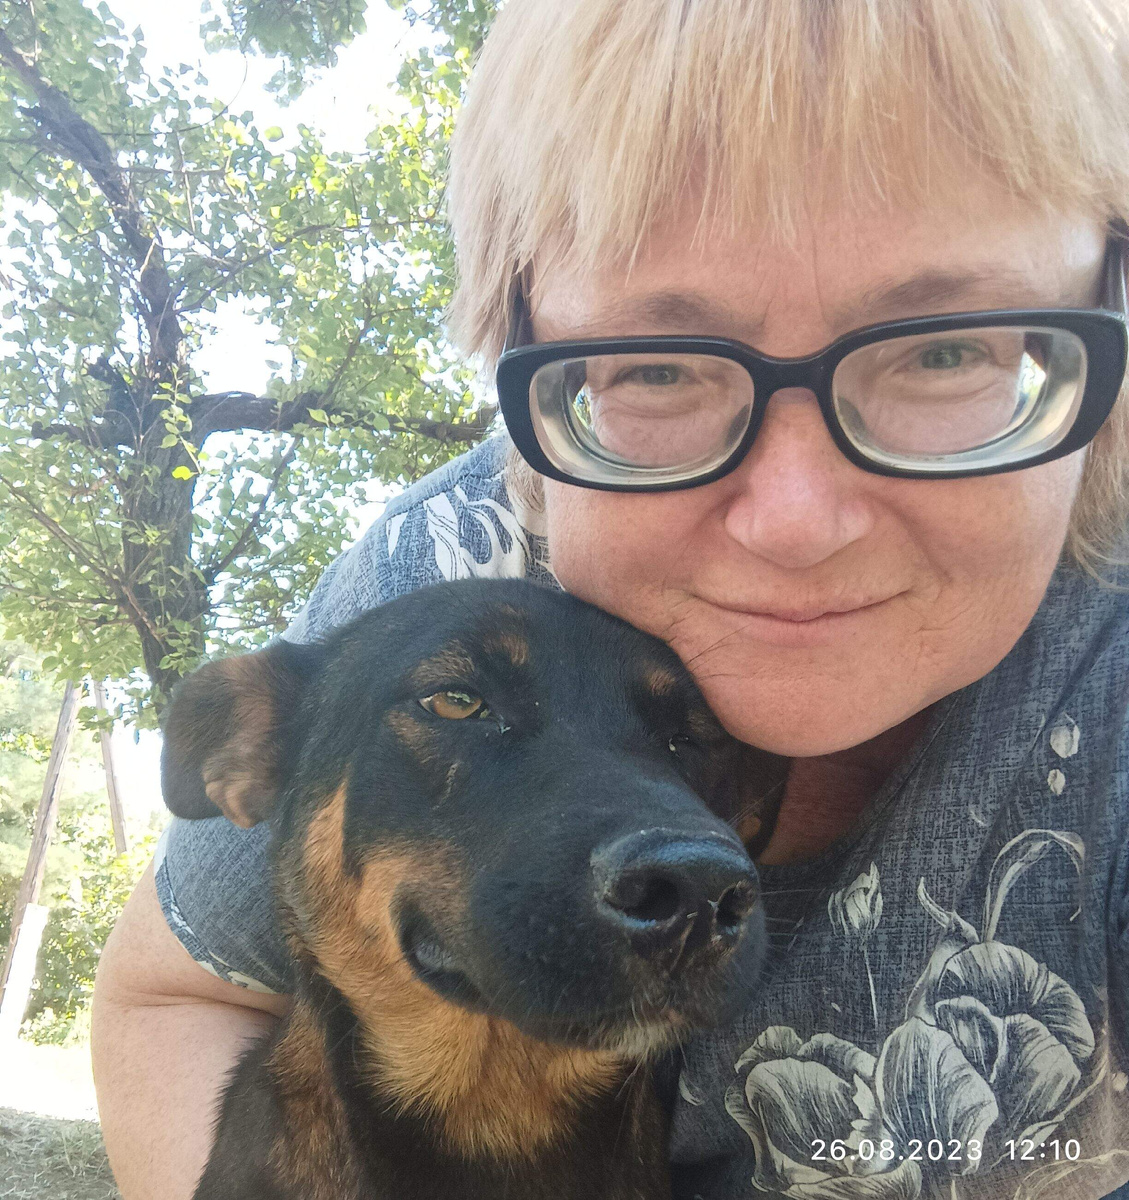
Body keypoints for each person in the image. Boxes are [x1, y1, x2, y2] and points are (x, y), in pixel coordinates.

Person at [91, 1, 1129, 1197]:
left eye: (947, 351)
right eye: (655, 364)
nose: (796, 521)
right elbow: (176, 994)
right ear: (519, 353)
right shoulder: (445, 577)